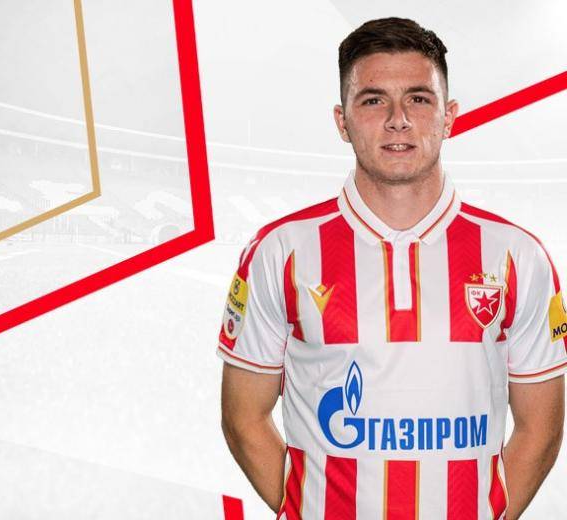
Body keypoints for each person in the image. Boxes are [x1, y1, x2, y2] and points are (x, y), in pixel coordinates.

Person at [217, 17, 566, 520]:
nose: (398, 119)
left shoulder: (518, 256)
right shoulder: (279, 252)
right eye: (373, 100)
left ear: (449, 117)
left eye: (419, 99)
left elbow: (541, 428)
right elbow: (244, 418)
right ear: (342, 121)